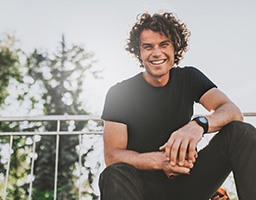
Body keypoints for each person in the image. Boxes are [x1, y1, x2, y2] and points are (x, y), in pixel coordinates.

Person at [98, 12, 256, 200]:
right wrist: (160, 161)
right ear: (139, 52)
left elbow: (232, 111)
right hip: (142, 187)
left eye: (164, 45)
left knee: (241, 132)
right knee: (114, 173)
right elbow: (113, 155)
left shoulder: (189, 77)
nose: (157, 53)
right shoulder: (120, 93)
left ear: (175, 48)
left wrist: (199, 125)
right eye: (148, 47)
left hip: (187, 182)